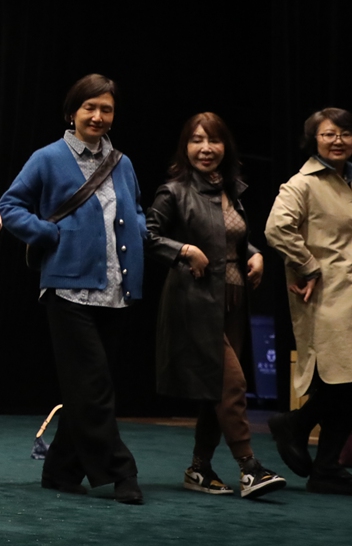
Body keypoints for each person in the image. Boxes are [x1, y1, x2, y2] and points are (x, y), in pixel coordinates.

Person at [0, 74, 147, 505]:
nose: (98, 117)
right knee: (94, 386)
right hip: (68, 292)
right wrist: (47, 234)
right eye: (90, 108)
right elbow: (9, 206)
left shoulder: (123, 162)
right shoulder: (48, 158)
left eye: (106, 109)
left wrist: (139, 233)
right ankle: (122, 471)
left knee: (88, 388)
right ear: (72, 112)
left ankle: (61, 469)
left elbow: (135, 210)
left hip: (116, 290)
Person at [145, 113, 286, 498]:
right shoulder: (173, 191)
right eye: (196, 140)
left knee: (216, 389)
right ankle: (249, 467)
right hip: (194, 301)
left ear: (226, 148)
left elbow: (233, 237)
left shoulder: (231, 190)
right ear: (184, 147)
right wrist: (184, 250)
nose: (205, 148)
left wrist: (255, 253)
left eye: (214, 141)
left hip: (233, 300)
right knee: (233, 382)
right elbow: (148, 234)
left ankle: (199, 470)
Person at [265, 107, 352, 496]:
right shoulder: (302, 183)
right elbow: (276, 229)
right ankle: (296, 427)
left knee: (345, 382)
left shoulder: (346, 181)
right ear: (313, 139)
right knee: (342, 379)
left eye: (346, 134)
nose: (339, 140)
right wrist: (309, 267)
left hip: (348, 293)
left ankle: (326, 468)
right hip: (330, 296)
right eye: (329, 134)